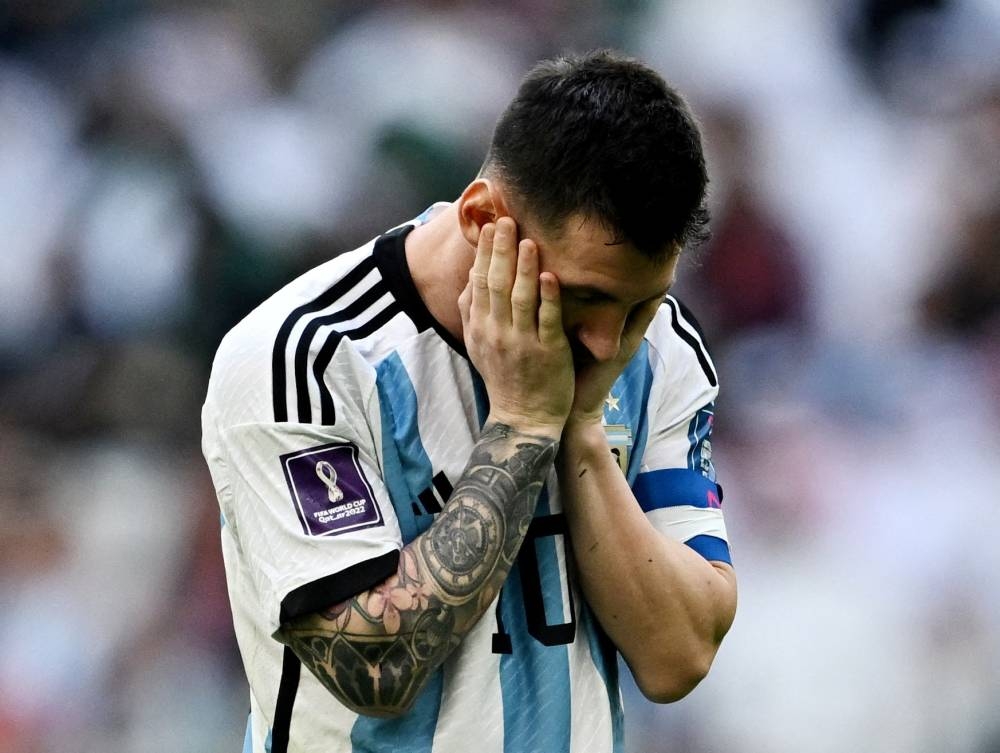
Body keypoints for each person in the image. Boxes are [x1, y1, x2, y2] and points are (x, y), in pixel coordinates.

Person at [202, 49, 737, 753]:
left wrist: (576, 427)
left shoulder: (661, 345)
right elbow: (372, 667)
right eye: (584, 296)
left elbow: (678, 655)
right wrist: (519, 423)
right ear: (485, 217)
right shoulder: (304, 359)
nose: (610, 342)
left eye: (639, 304)